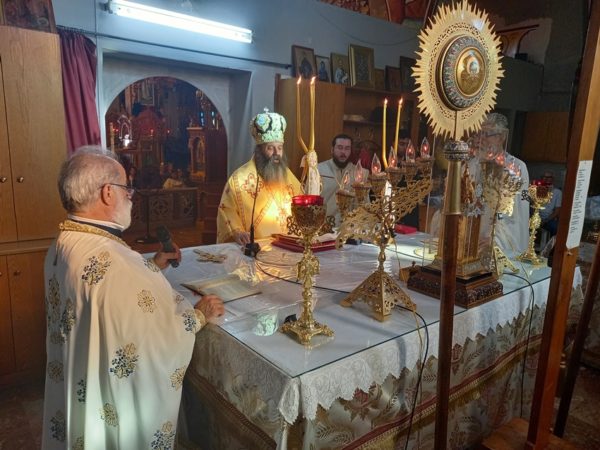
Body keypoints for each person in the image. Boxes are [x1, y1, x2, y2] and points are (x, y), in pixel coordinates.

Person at [42, 146, 224, 449]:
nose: (131, 195)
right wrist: (197, 316)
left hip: (82, 383)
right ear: (107, 193)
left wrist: (152, 265)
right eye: (126, 187)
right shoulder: (115, 262)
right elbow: (152, 337)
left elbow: (106, 298)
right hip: (106, 398)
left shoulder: (64, 241)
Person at [217, 110, 302, 245]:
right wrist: (237, 231)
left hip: (287, 246)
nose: (276, 153)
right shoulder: (239, 180)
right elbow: (226, 210)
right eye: (270, 148)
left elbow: (302, 207)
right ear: (260, 150)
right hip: (254, 247)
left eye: (280, 148)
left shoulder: (289, 177)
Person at [479, 112, 530, 256]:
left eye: (487, 134)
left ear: (501, 137)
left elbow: (517, 211)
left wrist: (495, 238)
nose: (482, 139)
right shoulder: (474, 164)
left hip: (498, 240)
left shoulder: (517, 168)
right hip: (472, 235)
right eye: (480, 133)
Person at [318, 134, 369, 225]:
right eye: (340, 147)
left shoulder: (360, 173)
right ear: (332, 150)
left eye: (347, 148)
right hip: (325, 226)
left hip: (351, 227)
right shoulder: (319, 170)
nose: (343, 152)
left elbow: (365, 205)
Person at [540, 170, 562, 236]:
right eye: (544, 177)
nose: (546, 179)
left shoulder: (557, 192)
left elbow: (557, 211)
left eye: (549, 177)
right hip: (536, 217)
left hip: (549, 219)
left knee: (556, 228)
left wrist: (545, 220)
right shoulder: (536, 189)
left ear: (553, 179)